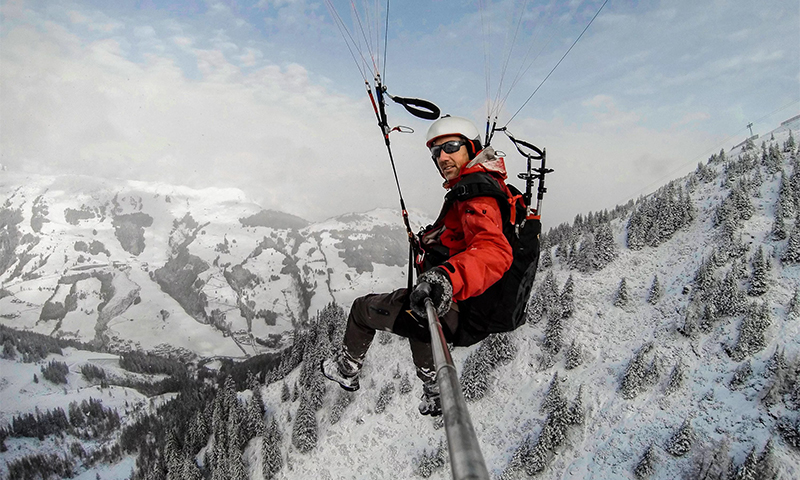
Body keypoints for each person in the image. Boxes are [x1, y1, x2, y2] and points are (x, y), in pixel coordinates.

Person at [321, 115, 514, 416]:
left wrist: (447, 277)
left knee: (362, 310)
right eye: (436, 152)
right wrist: (430, 241)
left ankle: (346, 369)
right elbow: (461, 238)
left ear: (472, 147)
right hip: (472, 308)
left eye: (451, 147)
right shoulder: (478, 188)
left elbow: (493, 250)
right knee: (420, 317)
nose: (443, 157)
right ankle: (436, 391)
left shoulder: (477, 194)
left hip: (460, 308)